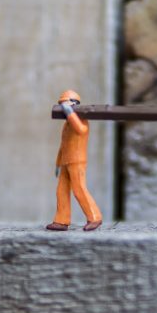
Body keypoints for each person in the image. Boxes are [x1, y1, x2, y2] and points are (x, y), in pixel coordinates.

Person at [46, 90, 102, 231]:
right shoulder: (67, 123)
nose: (62, 106)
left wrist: (70, 113)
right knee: (61, 190)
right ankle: (61, 220)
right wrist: (58, 163)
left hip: (76, 160)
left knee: (79, 189)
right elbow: (63, 145)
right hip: (66, 161)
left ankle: (94, 217)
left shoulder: (80, 119)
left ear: (73, 104)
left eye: (65, 103)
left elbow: (81, 130)